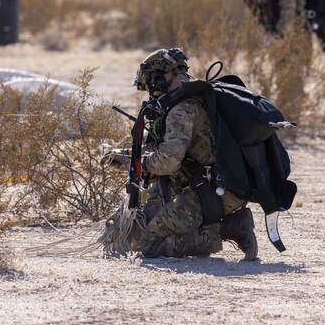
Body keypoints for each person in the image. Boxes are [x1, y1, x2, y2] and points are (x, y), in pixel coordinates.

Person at [106, 48, 259, 260]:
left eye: (152, 86)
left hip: (213, 193)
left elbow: (167, 162)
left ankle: (229, 228)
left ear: (160, 80)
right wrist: (125, 157)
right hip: (219, 187)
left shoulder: (182, 110)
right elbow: (168, 153)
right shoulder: (197, 98)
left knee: (149, 243)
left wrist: (139, 163)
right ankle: (224, 223)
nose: (152, 93)